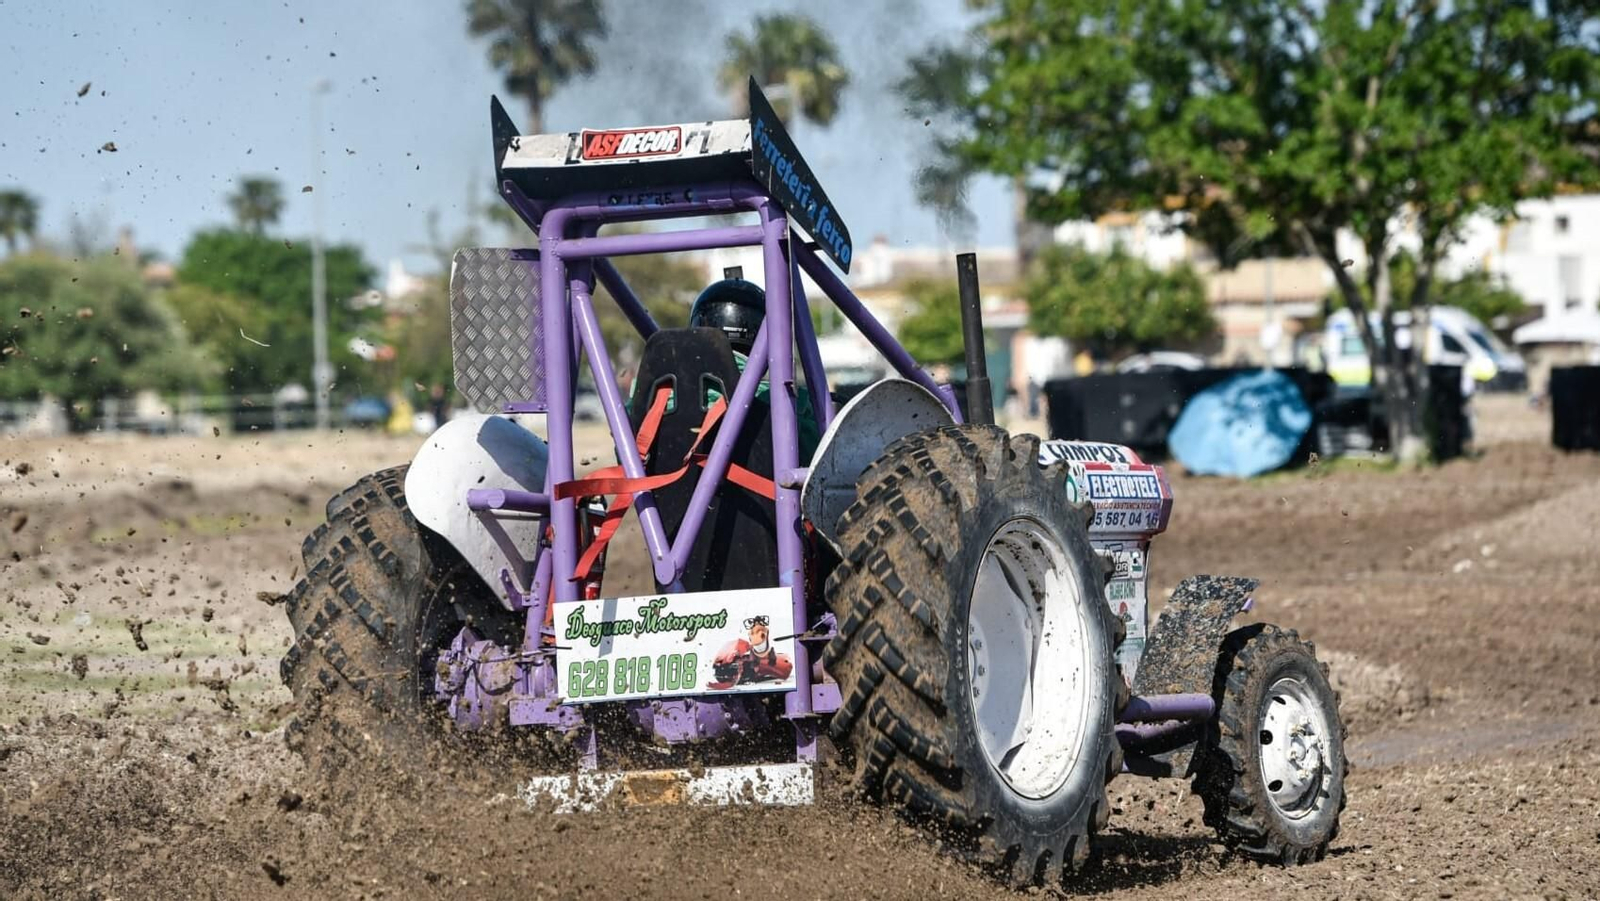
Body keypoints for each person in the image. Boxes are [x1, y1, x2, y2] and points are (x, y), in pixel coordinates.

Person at [638, 278, 821, 463]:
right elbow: (819, 460)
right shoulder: (779, 402)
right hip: (753, 491)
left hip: (654, 490)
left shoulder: (653, 396)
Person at [709, 614, 793, 688]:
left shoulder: (762, 631)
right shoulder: (753, 632)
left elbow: (759, 641)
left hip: (763, 658)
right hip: (757, 658)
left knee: (766, 662)